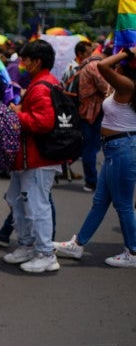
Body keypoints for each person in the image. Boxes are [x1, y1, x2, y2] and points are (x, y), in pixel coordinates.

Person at [53, 45, 136, 268]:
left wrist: (127, 51)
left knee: (124, 205)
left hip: (123, 148)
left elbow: (101, 65)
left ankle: (133, 252)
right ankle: (78, 244)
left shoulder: (128, 84)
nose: (116, 64)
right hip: (114, 148)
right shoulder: (121, 86)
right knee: (100, 201)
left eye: (120, 63)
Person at [1, 39, 65, 273]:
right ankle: (28, 245)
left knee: (37, 206)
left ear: (37, 62)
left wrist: (18, 113)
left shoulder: (40, 87)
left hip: (38, 159)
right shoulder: (45, 83)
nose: (22, 64)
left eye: (25, 60)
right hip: (31, 158)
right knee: (17, 200)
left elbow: (43, 123)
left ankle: (45, 253)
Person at [77, 44, 111, 192]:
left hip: (85, 111)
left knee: (87, 146)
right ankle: (91, 181)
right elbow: (106, 88)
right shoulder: (95, 66)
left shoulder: (84, 65)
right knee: (91, 148)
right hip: (94, 112)